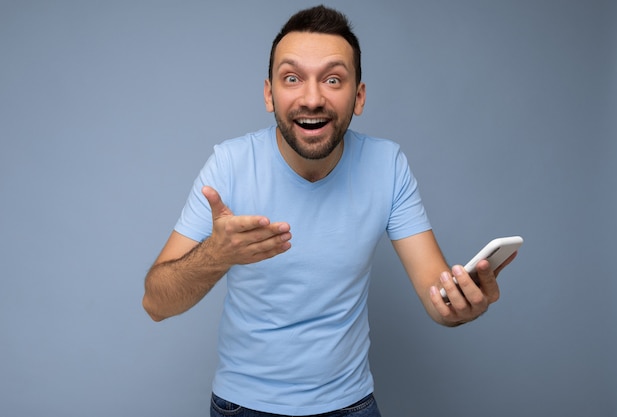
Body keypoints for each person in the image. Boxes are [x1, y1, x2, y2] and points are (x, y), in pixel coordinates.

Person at [142, 5, 517, 417]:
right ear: (270, 94)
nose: (313, 98)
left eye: (333, 79)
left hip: (351, 405)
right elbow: (156, 304)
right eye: (292, 78)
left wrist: (461, 307)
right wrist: (217, 255)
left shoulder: (387, 165)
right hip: (242, 406)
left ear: (358, 97)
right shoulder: (229, 164)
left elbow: (436, 297)